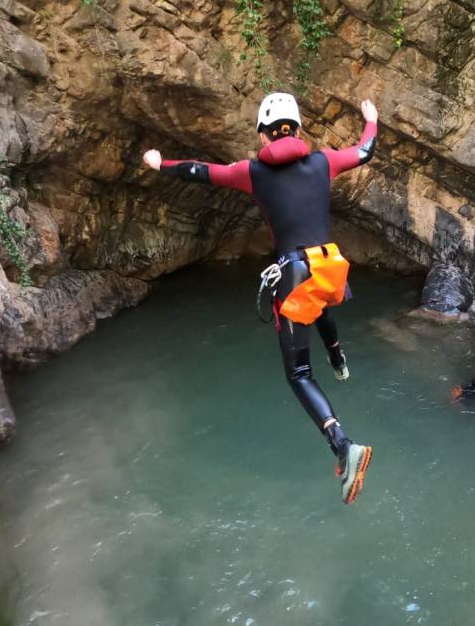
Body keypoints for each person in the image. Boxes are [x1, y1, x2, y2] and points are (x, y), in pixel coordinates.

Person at [141, 92, 378, 504]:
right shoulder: (324, 162)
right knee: (320, 303)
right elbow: (365, 151)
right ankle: (338, 358)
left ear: (263, 136)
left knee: (299, 375)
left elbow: (202, 171)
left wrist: (161, 164)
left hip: (295, 274)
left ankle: (343, 446)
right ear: (298, 129)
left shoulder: (252, 172)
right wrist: (371, 119)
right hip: (329, 265)